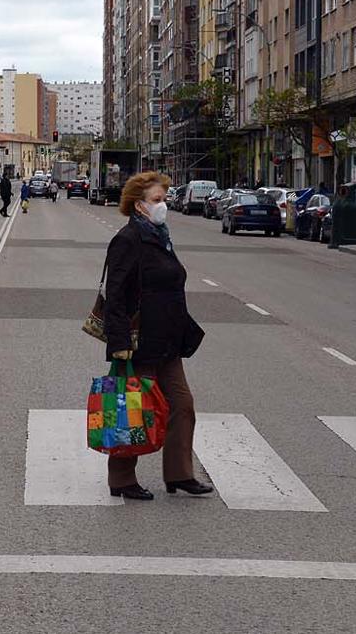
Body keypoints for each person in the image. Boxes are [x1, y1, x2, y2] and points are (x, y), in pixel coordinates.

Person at [102, 171, 209, 501]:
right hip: (138, 343)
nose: (163, 205)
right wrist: (118, 342)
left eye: (164, 199)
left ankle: (179, 474)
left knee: (182, 405)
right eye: (157, 200)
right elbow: (115, 294)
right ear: (139, 205)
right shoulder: (128, 239)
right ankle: (121, 478)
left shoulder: (160, 235)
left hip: (168, 341)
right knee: (133, 410)